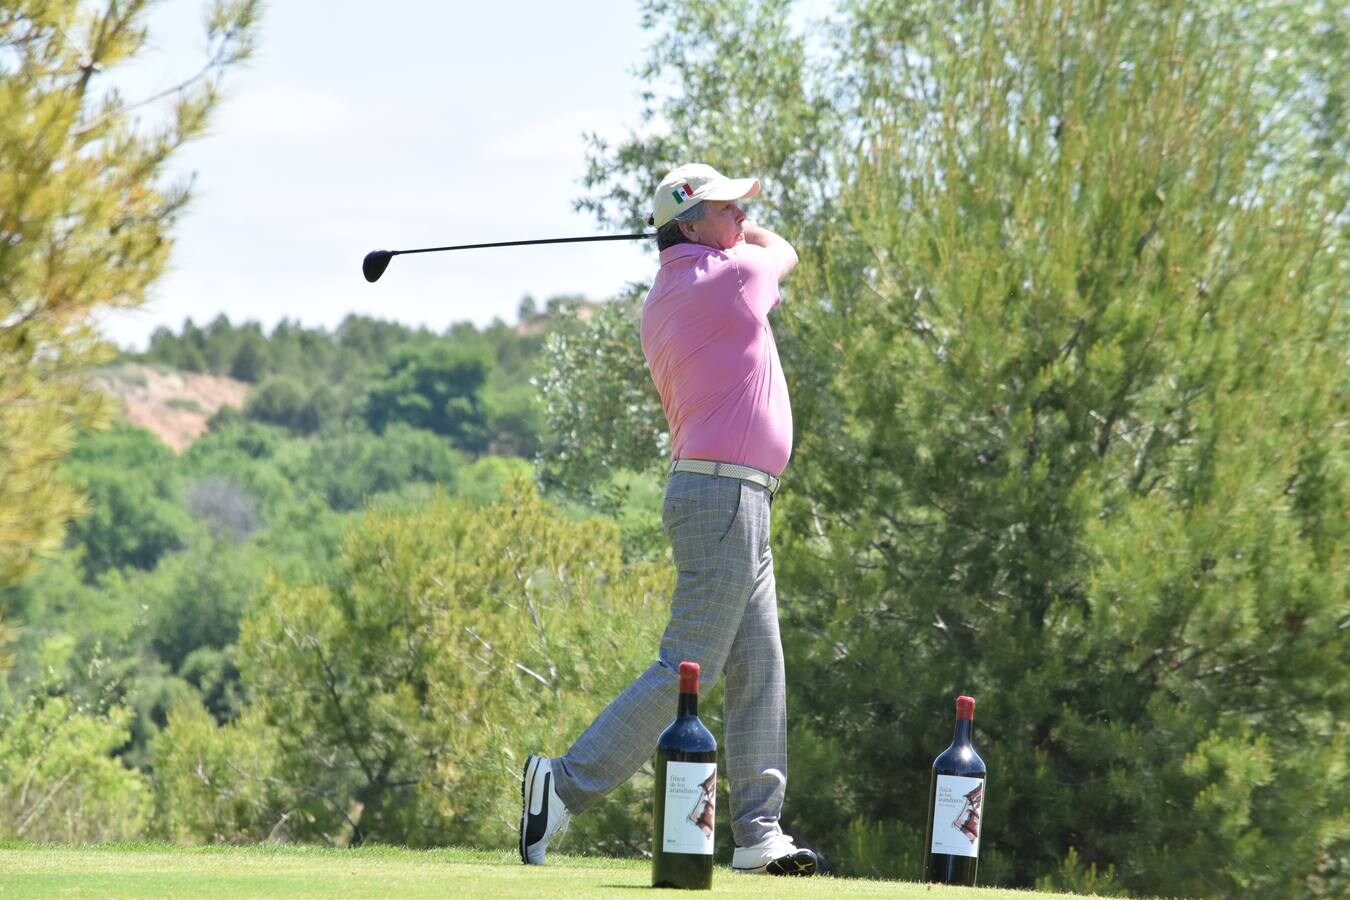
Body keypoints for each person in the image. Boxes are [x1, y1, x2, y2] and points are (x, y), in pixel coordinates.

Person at [520, 163, 816, 877]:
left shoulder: (670, 290)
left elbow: (748, 239)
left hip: (732, 495)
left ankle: (757, 834)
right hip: (723, 497)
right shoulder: (730, 279)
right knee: (687, 666)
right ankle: (561, 784)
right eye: (726, 209)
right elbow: (786, 250)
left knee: (759, 665)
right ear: (689, 226)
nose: (743, 218)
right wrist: (731, 240)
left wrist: (699, 234)